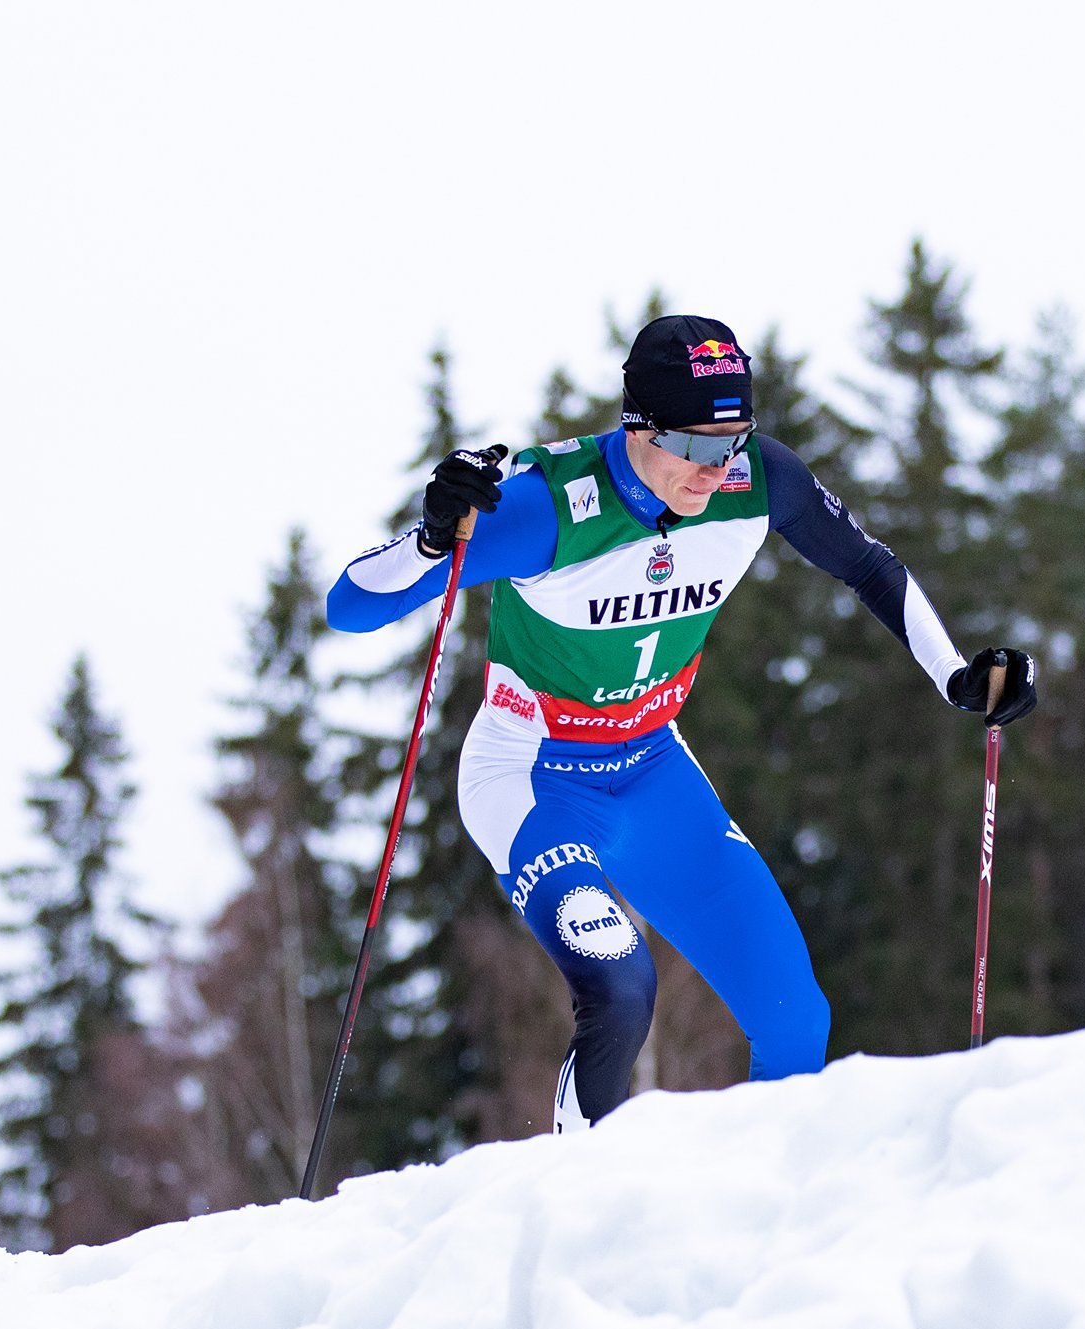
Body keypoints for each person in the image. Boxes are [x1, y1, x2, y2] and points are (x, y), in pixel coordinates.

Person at [327, 314, 1036, 1132]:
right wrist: (428, 540)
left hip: (656, 773)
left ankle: (767, 1218)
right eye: (694, 446)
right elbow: (351, 608)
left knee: (794, 1019)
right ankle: (578, 1194)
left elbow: (868, 565)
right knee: (621, 984)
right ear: (638, 427)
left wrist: (956, 674)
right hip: (533, 779)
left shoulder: (757, 482)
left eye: (732, 441)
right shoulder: (547, 511)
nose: (713, 470)